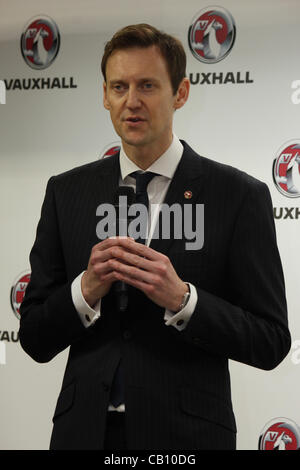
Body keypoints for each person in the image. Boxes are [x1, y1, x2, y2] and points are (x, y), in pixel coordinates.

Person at [19, 24, 291, 450]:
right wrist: (85, 290)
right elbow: (34, 337)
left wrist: (183, 300)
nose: (132, 101)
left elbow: (271, 340)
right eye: (119, 86)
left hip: (188, 441)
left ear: (180, 93)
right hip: (83, 434)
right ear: (104, 95)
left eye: (147, 85)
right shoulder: (65, 192)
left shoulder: (238, 196)